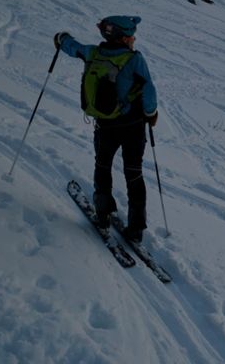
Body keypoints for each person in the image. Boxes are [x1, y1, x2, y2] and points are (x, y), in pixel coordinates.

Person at [54, 16, 158, 242]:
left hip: (106, 125)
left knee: (103, 165)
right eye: (131, 36)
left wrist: (62, 39)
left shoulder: (93, 53)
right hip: (132, 126)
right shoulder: (134, 59)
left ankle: (102, 213)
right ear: (123, 37)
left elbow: (73, 48)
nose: (134, 40)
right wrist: (151, 114)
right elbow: (149, 91)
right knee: (134, 173)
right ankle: (136, 228)